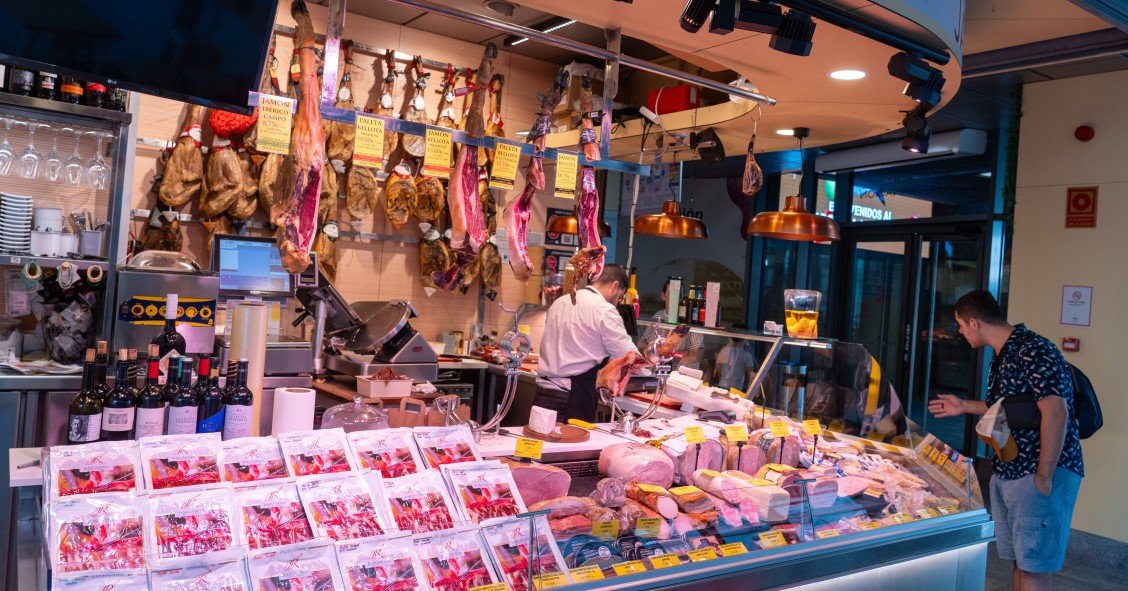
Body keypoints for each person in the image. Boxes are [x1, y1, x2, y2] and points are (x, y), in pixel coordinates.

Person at [929, 290, 1083, 591]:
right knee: (1022, 563)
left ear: (974, 322)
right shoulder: (1005, 352)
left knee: (1034, 568)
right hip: (1013, 470)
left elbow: (1056, 413)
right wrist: (964, 406)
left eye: (961, 325)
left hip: (1036, 472)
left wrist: (1044, 477)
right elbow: (1009, 407)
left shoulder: (1032, 348)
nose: (960, 332)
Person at [534, 264, 638, 422]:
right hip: (571, 398)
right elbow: (630, 357)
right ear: (615, 286)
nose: (617, 302)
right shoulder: (604, 310)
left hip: (542, 393)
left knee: (540, 444)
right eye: (620, 296)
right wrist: (649, 372)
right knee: (570, 447)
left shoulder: (560, 302)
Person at [637, 278, 704, 369]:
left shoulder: (689, 320)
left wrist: (665, 353)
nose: (675, 299)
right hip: (653, 373)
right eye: (672, 294)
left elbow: (697, 354)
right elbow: (641, 344)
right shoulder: (658, 316)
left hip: (679, 376)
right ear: (663, 296)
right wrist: (659, 351)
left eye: (678, 295)